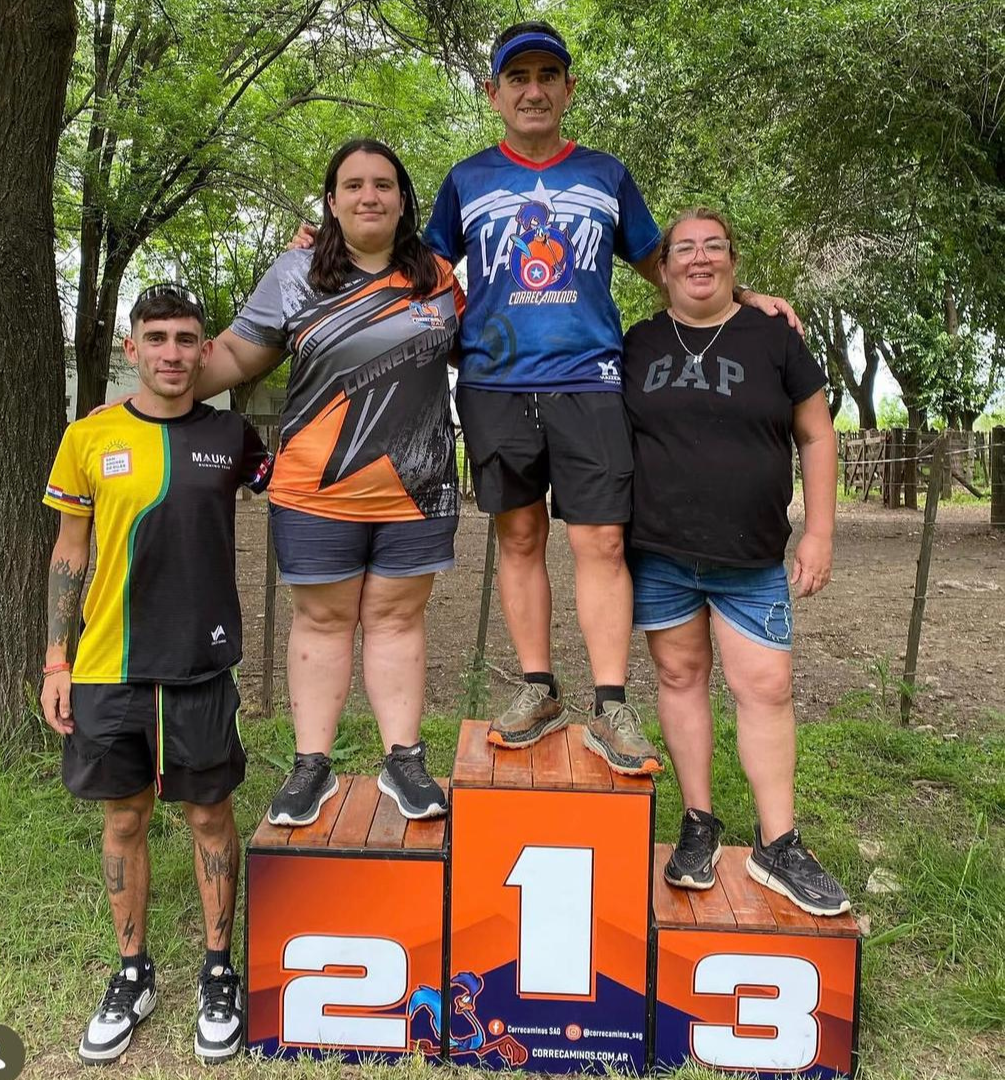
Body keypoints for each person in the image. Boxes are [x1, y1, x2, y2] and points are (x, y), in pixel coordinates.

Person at [291, 21, 799, 776]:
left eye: (547, 76)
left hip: (590, 383)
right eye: (518, 78)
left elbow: (661, 261)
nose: (533, 90)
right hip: (493, 385)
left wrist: (742, 293)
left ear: (568, 89)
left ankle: (610, 704)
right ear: (493, 93)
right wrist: (326, 245)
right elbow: (414, 267)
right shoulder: (466, 180)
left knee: (601, 542)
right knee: (520, 538)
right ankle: (538, 687)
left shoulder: (605, 174)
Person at [192, 139, 465, 826]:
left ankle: (404, 761)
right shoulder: (295, 273)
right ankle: (311, 766)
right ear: (332, 201)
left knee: (397, 621)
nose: (369, 195)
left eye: (383, 184)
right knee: (321, 623)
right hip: (316, 492)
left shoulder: (437, 277)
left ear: (403, 200)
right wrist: (152, 395)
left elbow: (492, 351)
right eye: (353, 185)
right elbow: (234, 354)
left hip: (417, 490)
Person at [40, 285, 274, 1063]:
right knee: (124, 820)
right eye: (157, 338)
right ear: (132, 348)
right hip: (108, 668)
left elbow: (302, 486)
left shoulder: (232, 435)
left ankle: (218, 973)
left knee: (209, 818)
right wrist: (56, 659)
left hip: (200, 667)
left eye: (185, 339)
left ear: (205, 351)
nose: (172, 353)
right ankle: (132, 974)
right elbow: (70, 550)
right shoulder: (88, 436)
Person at [621, 207, 850, 916]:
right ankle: (699, 823)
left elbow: (817, 435)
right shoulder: (638, 343)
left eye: (713, 247)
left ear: (733, 261)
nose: (700, 258)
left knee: (767, 688)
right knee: (680, 678)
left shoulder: (774, 337)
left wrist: (819, 532)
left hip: (751, 555)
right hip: (661, 551)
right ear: (662, 268)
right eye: (684, 249)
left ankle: (777, 843)